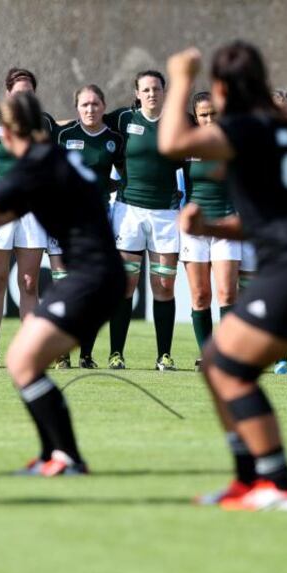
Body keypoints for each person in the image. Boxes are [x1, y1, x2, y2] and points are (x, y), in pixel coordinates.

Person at [160, 41, 287, 510]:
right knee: (216, 362)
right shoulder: (280, 130)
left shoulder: (245, 127)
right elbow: (269, 216)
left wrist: (180, 77)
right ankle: (247, 481)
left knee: (231, 369)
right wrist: (209, 228)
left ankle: (278, 484)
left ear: (222, 88)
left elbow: (172, 144)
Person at [0, 90, 125, 476]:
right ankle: (53, 457)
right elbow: (1, 213)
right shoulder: (52, 157)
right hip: (99, 273)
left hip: (93, 276)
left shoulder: (36, 165)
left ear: (8, 133)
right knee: (26, 362)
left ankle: (67, 457)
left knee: (23, 361)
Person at [0, 68, 54, 369]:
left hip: (34, 211)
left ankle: (30, 352)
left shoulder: (45, 123)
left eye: (29, 93)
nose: (23, 98)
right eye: (18, 92)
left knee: (29, 283)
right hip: (0, 209)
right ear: (8, 93)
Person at [103, 70, 187, 371]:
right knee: (126, 284)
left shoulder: (179, 121)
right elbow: (88, 126)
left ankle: (164, 355)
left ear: (165, 92)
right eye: (146, 89)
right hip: (129, 212)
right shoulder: (123, 119)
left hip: (166, 213)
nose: (152, 94)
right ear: (137, 94)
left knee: (164, 285)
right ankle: (116, 354)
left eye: (156, 89)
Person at [53, 84, 125, 368]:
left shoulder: (114, 140)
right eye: (84, 104)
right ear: (77, 108)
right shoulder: (64, 135)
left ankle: (86, 353)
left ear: (104, 106)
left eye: (95, 104)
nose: (90, 109)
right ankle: (61, 353)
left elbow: (126, 174)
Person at [181, 92, 239, 367]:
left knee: (227, 293)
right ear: (195, 117)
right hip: (194, 228)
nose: (209, 119)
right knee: (200, 295)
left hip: (226, 224)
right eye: (203, 115)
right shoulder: (187, 145)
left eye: (213, 114)